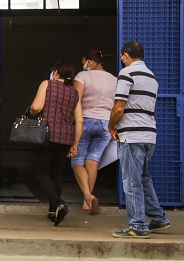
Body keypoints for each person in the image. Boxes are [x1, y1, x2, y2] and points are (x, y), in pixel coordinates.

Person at [108, 42, 171, 239]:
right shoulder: (151, 77)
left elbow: (119, 107)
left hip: (132, 136)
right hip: (149, 135)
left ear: (125, 56)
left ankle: (137, 225)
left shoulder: (126, 74)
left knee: (131, 181)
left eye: (122, 57)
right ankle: (159, 219)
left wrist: (111, 126)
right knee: (143, 179)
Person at [28, 60, 83, 226]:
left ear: (56, 72)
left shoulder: (47, 84)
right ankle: (53, 211)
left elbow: (37, 107)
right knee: (56, 174)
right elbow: (79, 121)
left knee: (42, 172)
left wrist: (31, 110)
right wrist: (75, 144)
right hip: (65, 138)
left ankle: (58, 203)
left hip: (47, 135)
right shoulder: (74, 93)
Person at [71, 49, 117, 215]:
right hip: (106, 124)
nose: (83, 65)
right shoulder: (114, 79)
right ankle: (86, 203)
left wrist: (74, 121)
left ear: (89, 62)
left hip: (85, 121)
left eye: (84, 61)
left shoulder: (83, 76)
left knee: (77, 161)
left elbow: (75, 101)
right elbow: (118, 105)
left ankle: (87, 195)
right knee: (93, 162)